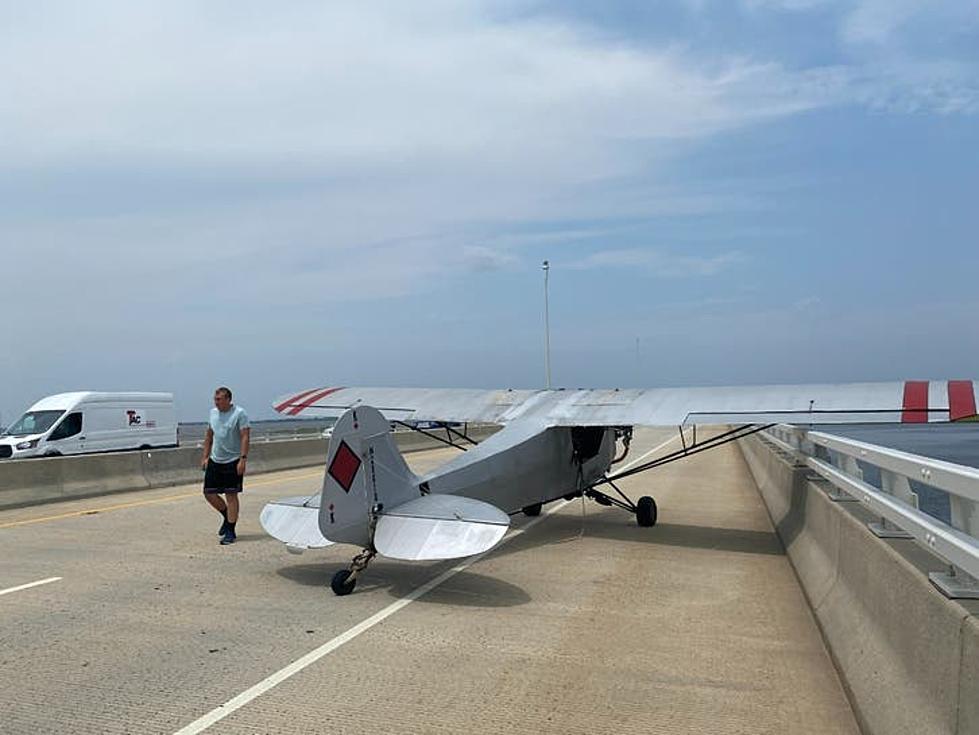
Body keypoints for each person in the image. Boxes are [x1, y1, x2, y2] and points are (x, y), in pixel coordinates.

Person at [201, 386, 250, 545]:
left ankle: (230, 530)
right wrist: (205, 457)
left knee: (231, 496)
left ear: (228, 399)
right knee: (209, 493)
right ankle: (226, 515)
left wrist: (243, 459)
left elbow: (245, 436)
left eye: (219, 399)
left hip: (233, 460)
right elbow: (209, 435)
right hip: (216, 459)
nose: (216, 402)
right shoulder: (212, 413)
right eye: (215, 399)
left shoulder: (239, 413)